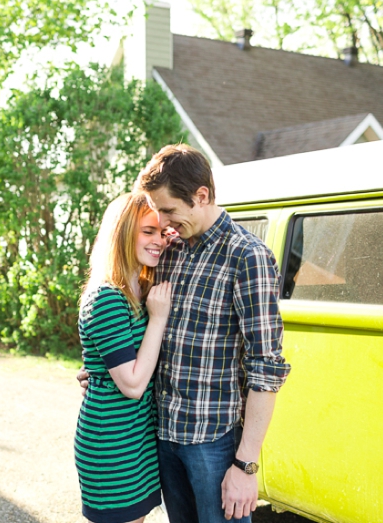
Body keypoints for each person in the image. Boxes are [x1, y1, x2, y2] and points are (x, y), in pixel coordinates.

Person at [80, 144, 291, 523]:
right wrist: (100, 372)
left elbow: (266, 369)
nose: (163, 223)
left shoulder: (247, 257)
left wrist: (245, 466)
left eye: (168, 211)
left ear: (202, 196)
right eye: (157, 214)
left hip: (212, 442)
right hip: (160, 435)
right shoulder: (170, 249)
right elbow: (127, 326)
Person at [75, 192, 173, 523]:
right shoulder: (106, 297)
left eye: (161, 232)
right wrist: (158, 318)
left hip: (137, 438)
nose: (158, 240)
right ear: (123, 232)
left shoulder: (136, 290)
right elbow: (131, 384)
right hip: (113, 443)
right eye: (148, 231)